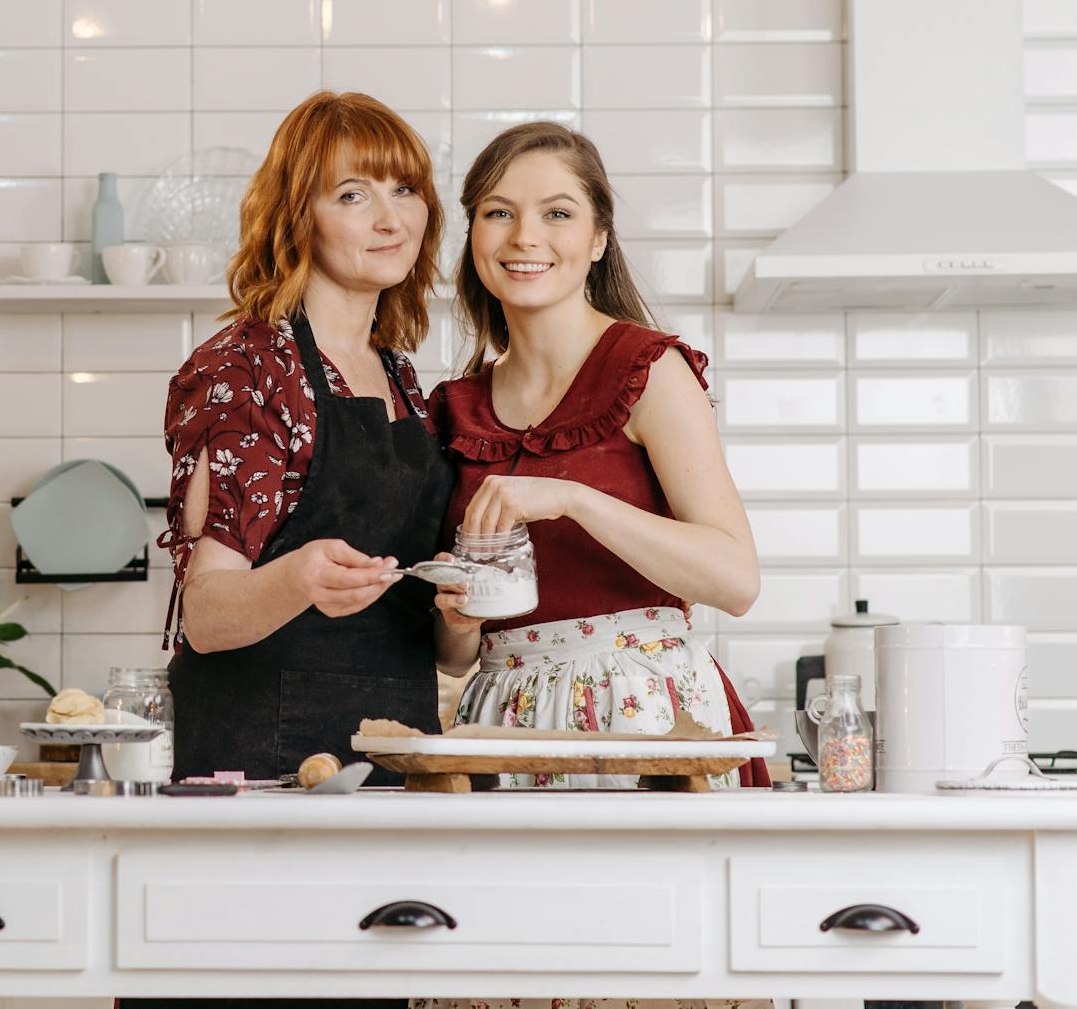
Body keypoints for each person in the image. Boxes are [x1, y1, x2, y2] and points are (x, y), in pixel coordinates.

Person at [424, 121, 769, 799]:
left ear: (598, 239)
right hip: (503, 726)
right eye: (500, 213)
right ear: (475, 238)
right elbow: (450, 651)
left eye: (557, 213)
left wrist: (572, 497)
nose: (526, 236)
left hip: (643, 721)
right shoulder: (454, 409)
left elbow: (735, 580)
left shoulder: (647, 370)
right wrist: (459, 626)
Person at [157, 90, 468, 797]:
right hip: (261, 765)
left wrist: (458, 616)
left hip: (397, 750)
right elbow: (205, 615)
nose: (392, 218)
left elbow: (437, 650)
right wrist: (299, 577)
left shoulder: (401, 376)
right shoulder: (246, 369)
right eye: (353, 195)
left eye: (406, 189)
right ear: (300, 218)